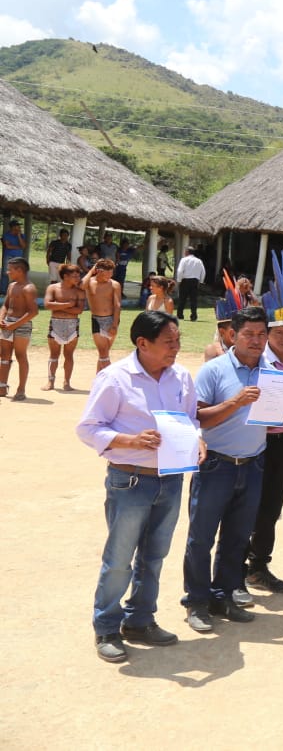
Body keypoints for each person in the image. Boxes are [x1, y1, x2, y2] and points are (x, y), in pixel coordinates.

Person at [76, 310, 202, 662]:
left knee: (155, 555)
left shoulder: (181, 377)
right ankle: (107, 627)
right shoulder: (115, 379)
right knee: (119, 559)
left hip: (170, 479)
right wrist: (129, 441)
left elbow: (190, 419)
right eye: (168, 342)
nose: (175, 348)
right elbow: (88, 428)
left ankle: (140, 620)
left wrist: (198, 439)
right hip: (129, 479)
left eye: (177, 341)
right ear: (142, 343)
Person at [185, 306, 283, 631]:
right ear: (232, 335)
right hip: (216, 465)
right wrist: (235, 402)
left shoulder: (273, 372)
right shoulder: (214, 369)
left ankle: (223, 596)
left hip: (253, 464)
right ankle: (196, 601)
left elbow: (273, 419)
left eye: (262, 334)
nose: (256, 340)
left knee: (236, 538)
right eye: (249, 334)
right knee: (201, 538)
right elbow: (198, 417)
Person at [245, 263, 283, 594]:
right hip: (254, 440)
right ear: (267, 333)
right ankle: (235, 563)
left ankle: (259, 565)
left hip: (282, 442)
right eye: (279, 331)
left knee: (271, 506)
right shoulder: (257, 360)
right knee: (245, 503)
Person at [43, 263, 85, 391]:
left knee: (69, 354)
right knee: (54, 354)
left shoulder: (79, 291)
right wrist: (68, 305)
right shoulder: (53, 288)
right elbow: (47, 305)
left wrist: (60, 307)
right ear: (65, 276)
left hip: (72, 324)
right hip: (56, 323)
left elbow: (79, 310)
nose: (78, 278)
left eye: (78, 276)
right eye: (75, 276)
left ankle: (67, 382)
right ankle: (50, 382)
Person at [0, 258, 37, 399]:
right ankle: (2, 387)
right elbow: (5, 305)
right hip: (8, 323)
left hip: (21, 325)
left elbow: (33, 312)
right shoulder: (11, 286)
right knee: (4, 355)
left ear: (20, 271)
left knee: (20, 355)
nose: (7, 271)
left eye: (10, 269)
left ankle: (21, 390)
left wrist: (14, 325)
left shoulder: (29, 288)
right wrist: (1, 318)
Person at [174, 247, 206, 321]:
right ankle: (194, 316)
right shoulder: (199, 261)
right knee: (193, 299)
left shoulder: (184, 260)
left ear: (187, 252)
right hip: (195, 281)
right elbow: (203, 271)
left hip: (185, 280)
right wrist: (201, 281)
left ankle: (180, 315)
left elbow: (180, 271)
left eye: (185, 251)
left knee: (182, 299)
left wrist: (179, 280)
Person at [1, 219, 25, 295]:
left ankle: (14, 291)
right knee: (5, 273)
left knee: (17, 274)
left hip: (18, 257)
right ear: (13, 227)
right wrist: (19, 247)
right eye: (18, 225)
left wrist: (18, 235)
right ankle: (3, 291)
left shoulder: (21, 235)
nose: (19, 227)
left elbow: (23, 246)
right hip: (8, 256)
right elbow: (8, 246)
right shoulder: (6, 235)